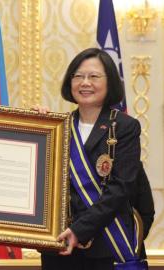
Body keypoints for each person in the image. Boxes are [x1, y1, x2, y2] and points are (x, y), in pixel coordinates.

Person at [38, 48, 154, 270]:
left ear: (109, 82)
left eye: (93, 76)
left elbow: (121, 188)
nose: (85, 83)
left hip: (107, 247)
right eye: (78, 76)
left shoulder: (125, 127)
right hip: (60, 248)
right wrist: (36, 125)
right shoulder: (56, 127)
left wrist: (80, 230)